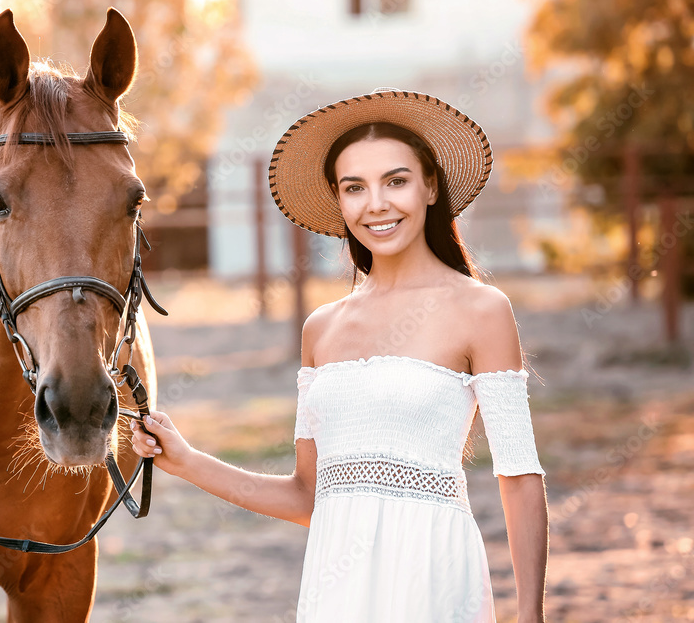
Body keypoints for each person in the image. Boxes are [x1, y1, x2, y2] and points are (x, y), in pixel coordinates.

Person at [131, 89, 549, 622]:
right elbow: (308, 497)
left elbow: (518, 477)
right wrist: (186, 461)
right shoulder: (321, 330)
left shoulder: (481, 310)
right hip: (337, 591)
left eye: (395, 181)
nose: (376, 203)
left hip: (435, 582)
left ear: (430, 187)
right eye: (355, 188)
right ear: (339, 200)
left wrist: (531, 616)